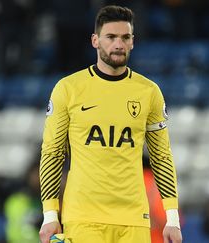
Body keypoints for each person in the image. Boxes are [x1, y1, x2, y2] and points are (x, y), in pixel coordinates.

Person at [38, 5, 182, 243]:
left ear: (133, 42)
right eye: (111, 37)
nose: (119, 44)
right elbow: (52, 153)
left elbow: (161, 157)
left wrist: (172, 218)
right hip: (84, 217)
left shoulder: (149, 92)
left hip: (134, 218)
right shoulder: (69, 88)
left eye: (125, 37)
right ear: (95, 40)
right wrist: (50, 214)